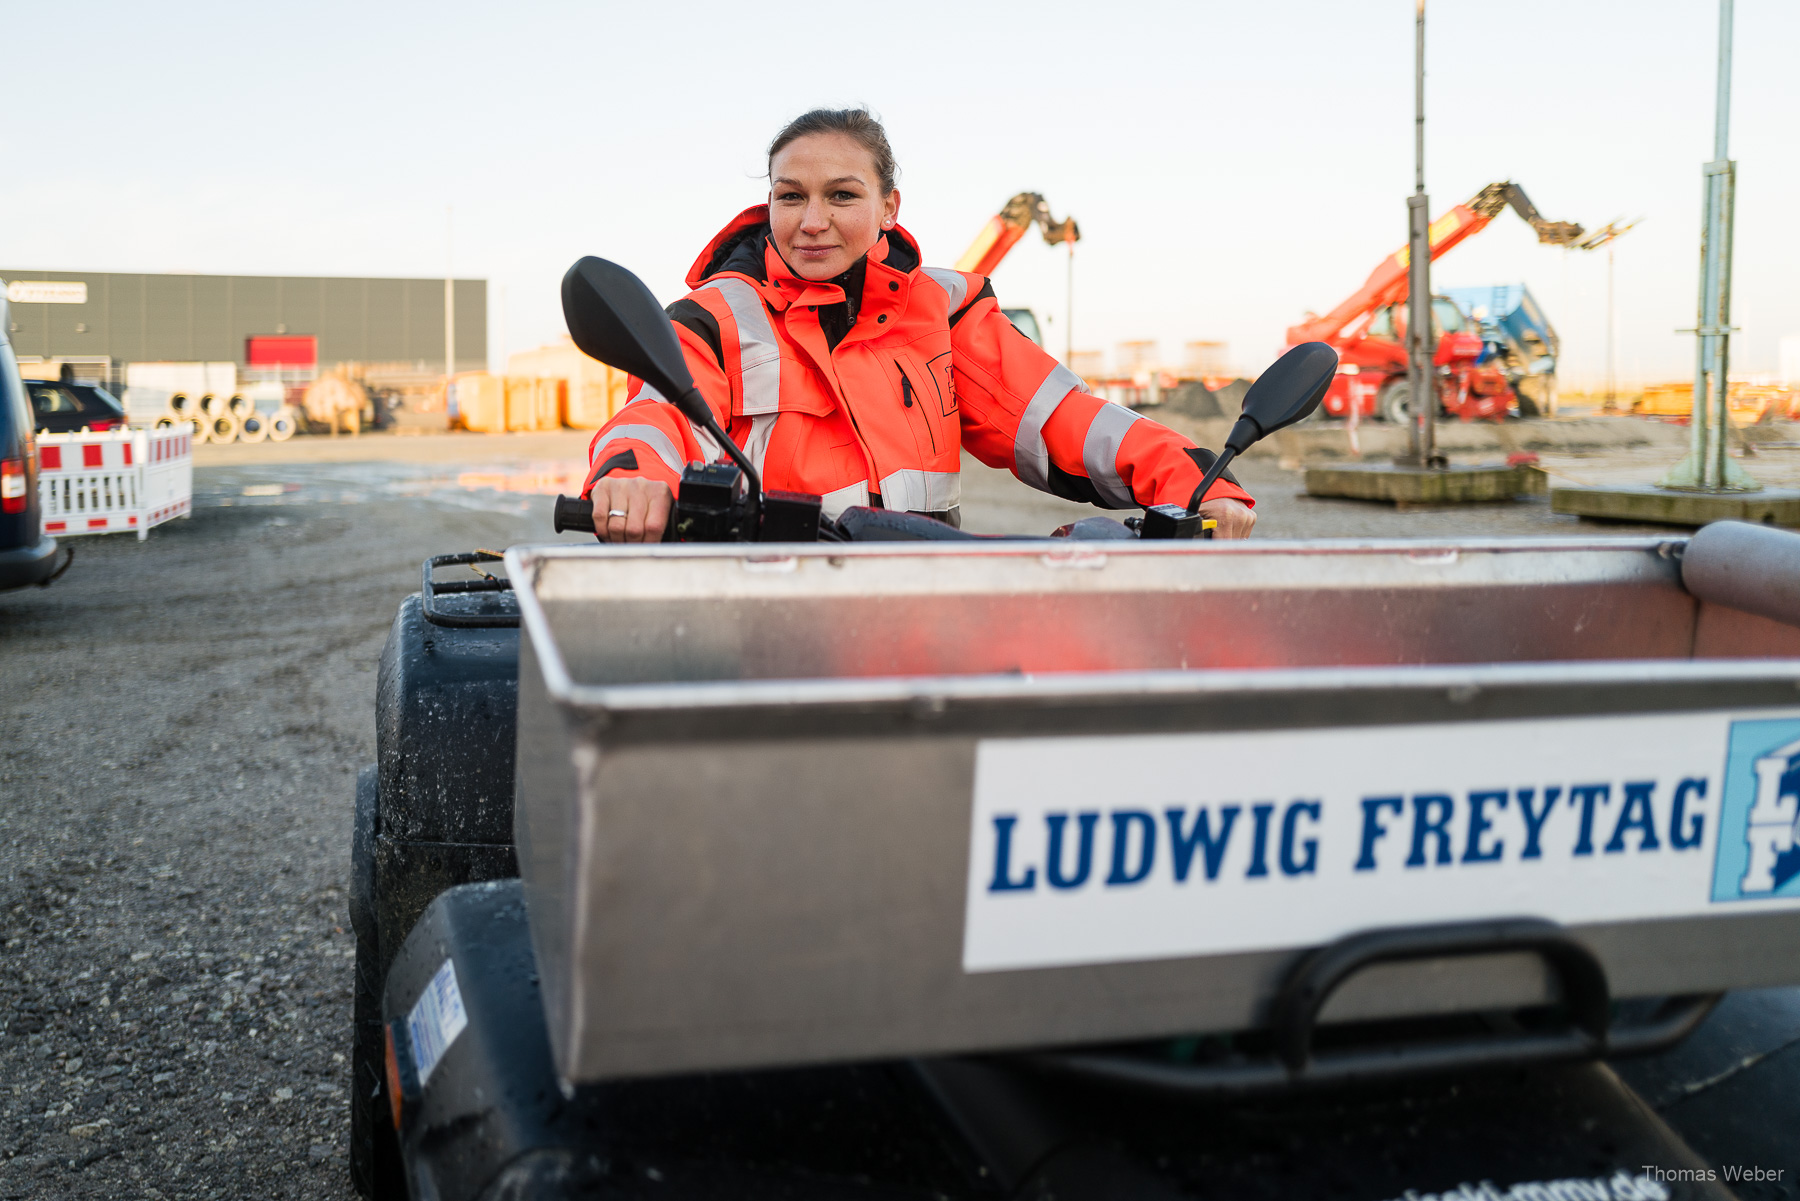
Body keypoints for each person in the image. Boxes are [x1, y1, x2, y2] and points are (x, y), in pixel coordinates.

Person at [582, 107, 1256, 543]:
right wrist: (633, 475)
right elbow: (654, 417)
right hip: (767, 610)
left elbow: (1063, 417)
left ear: (887, 206)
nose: (811, 220)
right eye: (791, 196)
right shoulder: (717, 312)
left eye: (841, 195)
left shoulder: (945, 308)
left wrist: (1195, 483)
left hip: (924, 606)